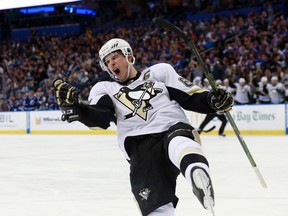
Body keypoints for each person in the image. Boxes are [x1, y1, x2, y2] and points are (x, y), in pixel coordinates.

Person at [53, 38, 234, 216]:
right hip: (139, 147)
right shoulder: (104, 88)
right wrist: (78, 109)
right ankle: (194, 166)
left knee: (178, 141)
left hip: (171, 127)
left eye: (115, 57)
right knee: (156, 208)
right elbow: (100, 118)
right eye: (107, 62)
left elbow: (191, 97)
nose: (111, 63)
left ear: (129, 57)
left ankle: (195, 169)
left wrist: (212, 100)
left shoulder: (159, 73)